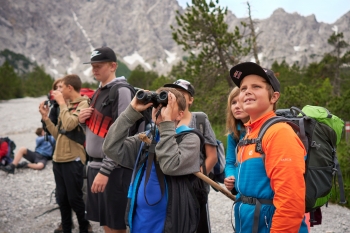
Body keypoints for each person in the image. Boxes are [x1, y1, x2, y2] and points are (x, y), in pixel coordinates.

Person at [102, 87, 202, 233]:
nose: (160, 109)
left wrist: (166, 124)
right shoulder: (146, 138)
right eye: (158, 105)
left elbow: (170, 166)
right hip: (139, 222)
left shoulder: (189, 138)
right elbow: (110, 148)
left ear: (180, 114)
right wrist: (131, 112)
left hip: (170, 224)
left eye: (167, 105)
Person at [229, 61, 308, 233]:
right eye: (243, 88)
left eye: (256, 86)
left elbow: (290, 202)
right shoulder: (250, 134)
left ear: (274, 97)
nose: (247, 91)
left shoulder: (279, 133)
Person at [79, 46, 143, 233]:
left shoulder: (121, 91)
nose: (94, 69)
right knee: (106, 224)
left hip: (113, 170)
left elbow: (124, 132)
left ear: (113, 65)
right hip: (96, 167)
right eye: (92, 65)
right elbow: (98, 133)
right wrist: (83, 123)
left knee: (116, 226)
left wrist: (106, 170)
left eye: (99, 65)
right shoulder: (99, 92)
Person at [39, 74, 92, 233]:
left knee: (74, 198)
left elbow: (69, 125)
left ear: (70, 88)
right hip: (59, 159)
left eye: (60, 87)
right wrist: (45, 118)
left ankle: (85, 228)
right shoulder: (65, 106)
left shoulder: (83, 104)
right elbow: (58, 134)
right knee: (62, 199)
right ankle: (66, 228)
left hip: (73, 159)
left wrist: (61, 103)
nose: (57, 91)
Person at [164, 79, 217, 233]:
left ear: (191, 99)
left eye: (182, 93)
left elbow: (212, 155)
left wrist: (196, 178)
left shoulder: (199, 120)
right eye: (173, 93)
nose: (176, 96)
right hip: (170, 182)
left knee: (197, 224)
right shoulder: (164, 118)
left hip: (195, 184)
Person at [223, 87, 249, 194]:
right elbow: (230, 162)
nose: (237, 106)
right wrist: (230, 176)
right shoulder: (234, 133)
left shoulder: (264, 129)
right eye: (233, 103)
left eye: (241, 102)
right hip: (241, 194)